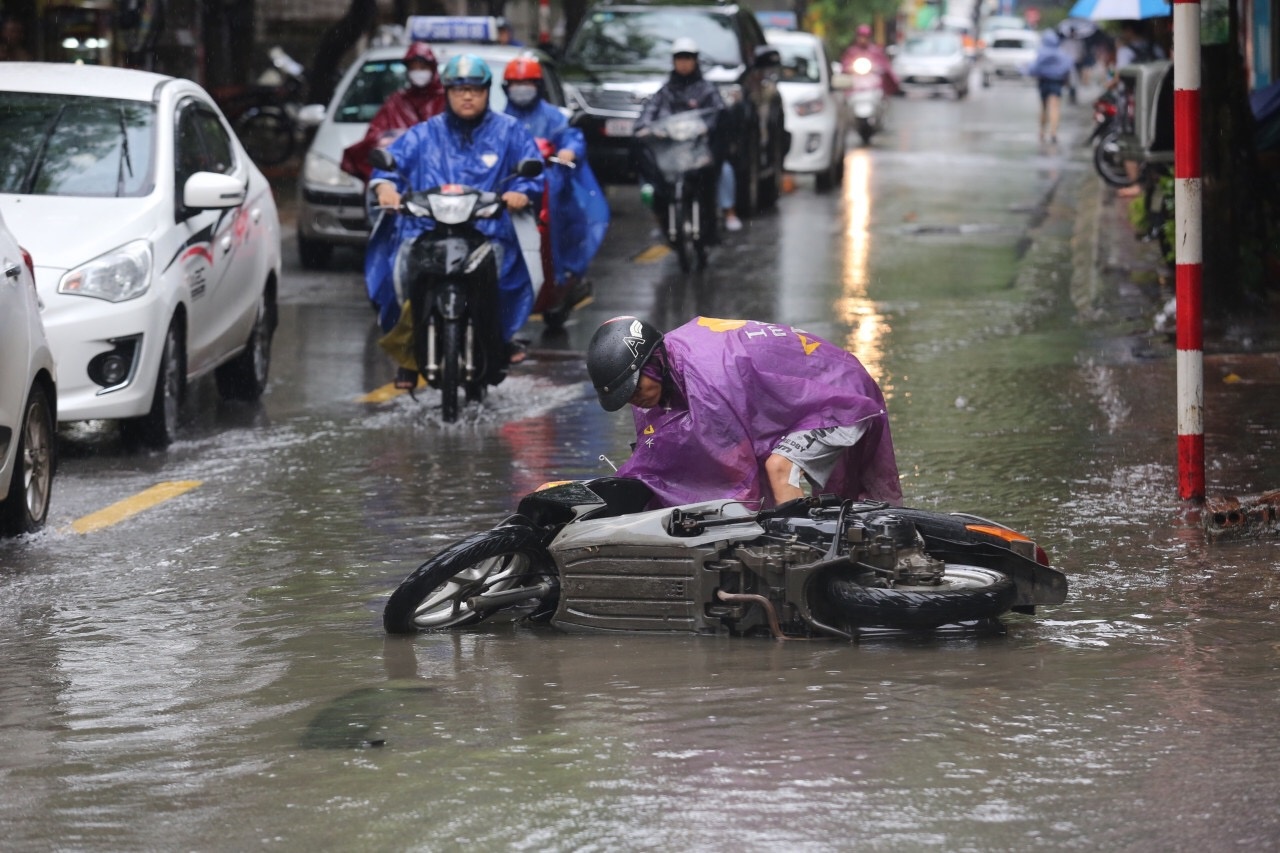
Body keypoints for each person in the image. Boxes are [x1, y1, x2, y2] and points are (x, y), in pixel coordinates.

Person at [586, 316, 902, 508]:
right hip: (791, 406)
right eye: (626, 396)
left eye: (636, 389)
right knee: (765, 488)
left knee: (778, 469)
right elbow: (657, 458)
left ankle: (799, 559)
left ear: (651, 362)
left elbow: (733, 474)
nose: (636, 401)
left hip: (839, 395)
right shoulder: (659, 377)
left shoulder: (708, 379)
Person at [367, 54, 544, 383]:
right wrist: (385, 187)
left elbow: (531, 171)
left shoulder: (510, 131)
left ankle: (501, 339)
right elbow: (389, 166)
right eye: (460, 89)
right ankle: (409, 350)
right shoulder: (423, 133)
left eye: (475, 90)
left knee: (507, 277)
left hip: (489, 232)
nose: (467, 96)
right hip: (426, 230)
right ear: (446, 92)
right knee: (398, 277)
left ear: (488, 92)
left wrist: (520, 191)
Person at [501, 55, 608, 311]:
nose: (521, 89)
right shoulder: (499, 120)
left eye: (527, 82)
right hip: (510, 189)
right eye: (516, 83)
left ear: (538, 86)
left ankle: (563, 275)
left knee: (563, 220)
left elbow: (572, 138)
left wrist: (569, 151)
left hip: (552, 190)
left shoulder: (554, 117)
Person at [634, 37, 741, 235]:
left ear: (695, 60)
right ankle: (660, 220)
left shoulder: (707, 90)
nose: (684, 63)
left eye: (688, 58)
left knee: (723, 170)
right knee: (650, 176)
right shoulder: (665, 92)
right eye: (680, 58)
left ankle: (729, 212)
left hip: (700, 150)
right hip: (671, 152)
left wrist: (706, 128)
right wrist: (646, 128)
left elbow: (719, 113)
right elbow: (648, 114)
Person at [340, 41, 446, 182]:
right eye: (414, 68)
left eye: (423, 67)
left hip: (442, 178)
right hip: (401, 178)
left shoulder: (447, 100)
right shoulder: (396, 102)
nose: (419, 72)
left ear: (432, 68)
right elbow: (375, 136)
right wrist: (394, 140)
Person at [1023, 30, 1074, 144]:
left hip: (1043, 82)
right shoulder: (1061, 53)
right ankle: (1053, 132)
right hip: (1056, 83)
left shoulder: (1041, 52)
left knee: (1043, 108)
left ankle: (1042, 131)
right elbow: (1068, 67)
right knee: (1054, 107)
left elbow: (1034, 68)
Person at [839, 24, 901, 96]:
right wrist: (849, 68)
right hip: (856, 82)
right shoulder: (851, 51)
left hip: (873, 82)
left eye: (865, 37)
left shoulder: (875, 51)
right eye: (861, 36)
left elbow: (885, 65)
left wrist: (879, 69)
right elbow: (845, 65)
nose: (863, 39)